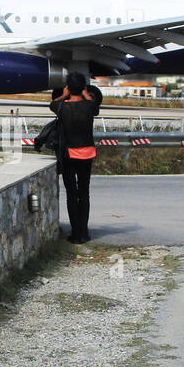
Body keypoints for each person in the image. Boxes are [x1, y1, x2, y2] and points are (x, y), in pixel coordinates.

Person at [50, 73, 102, 243]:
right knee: (84, 193)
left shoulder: (62, 107)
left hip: (69, 154)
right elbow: (95, 107)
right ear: (83, 88)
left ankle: (75, 233)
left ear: (68, 88)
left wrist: (64, 95)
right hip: (87, 152)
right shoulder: (89, 106)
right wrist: (85, 93)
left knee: (71, 194)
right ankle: (84, 232)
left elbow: (52, 104)